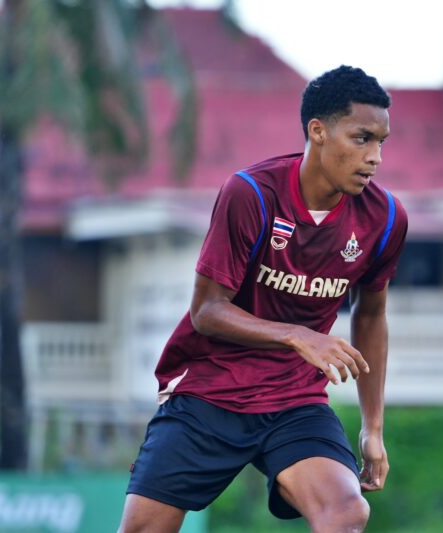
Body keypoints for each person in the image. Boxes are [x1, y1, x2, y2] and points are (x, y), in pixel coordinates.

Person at [118, 65, 408, 533]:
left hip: (294, 398)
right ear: (318, 131)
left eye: (381, 142)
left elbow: (371, 315)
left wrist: (372, 428)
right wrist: (297, 335)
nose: (374, 157)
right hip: (210, 389)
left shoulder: (386, 218)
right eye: (361, 139)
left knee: (347, 512)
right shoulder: (251, 193)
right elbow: (206, 311)